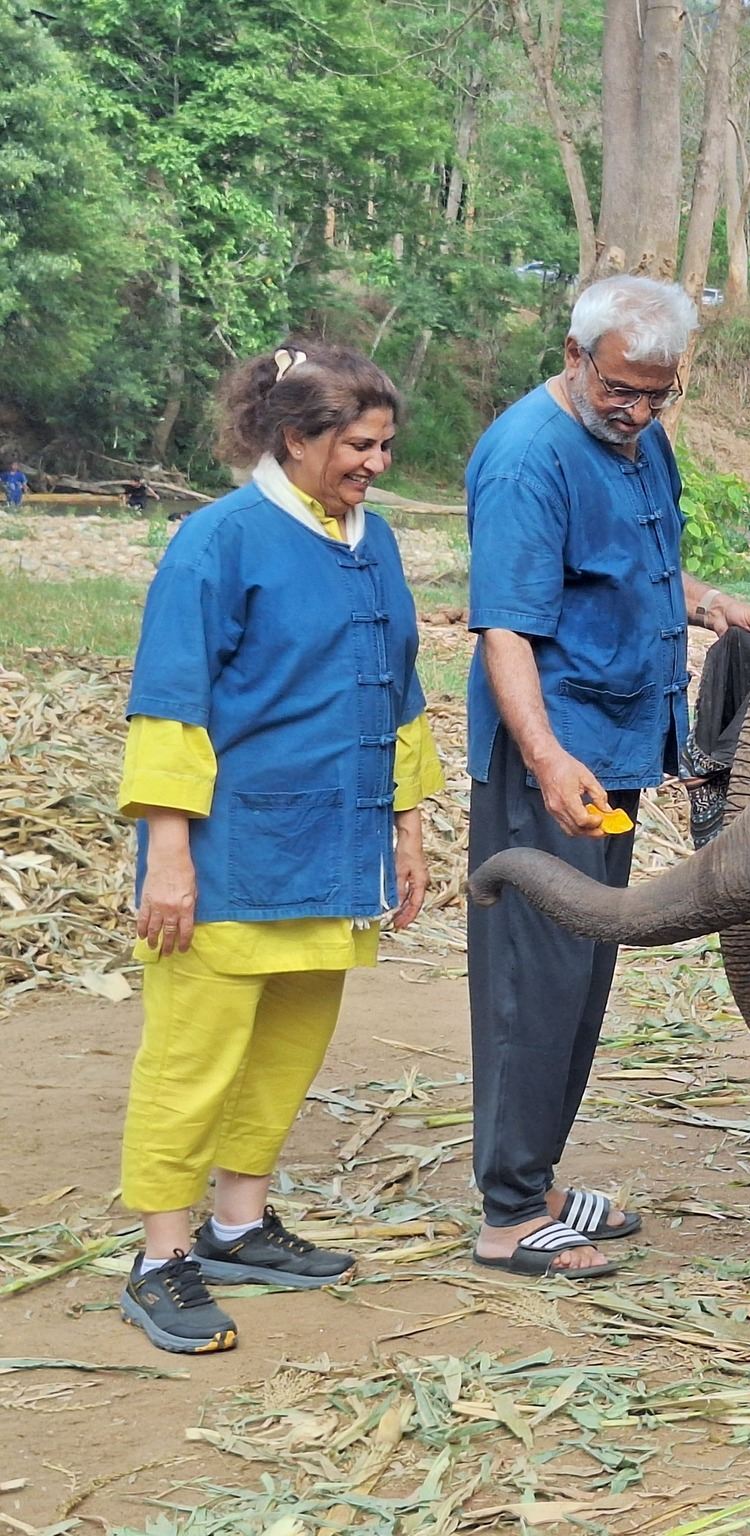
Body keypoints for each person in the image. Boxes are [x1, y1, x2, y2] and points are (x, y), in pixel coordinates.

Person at [115, 341, 444, 1353]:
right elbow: (171, 702)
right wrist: (170, 857)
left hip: (334, 851)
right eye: (359, 446)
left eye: (385, 446)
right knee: (192, 1060)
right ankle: (161, 1257)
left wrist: (408, 826)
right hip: (231, 856)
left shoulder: (374, 544)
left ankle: (237, 1225)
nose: (376, 465)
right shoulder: (217, 542)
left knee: (287, 1050)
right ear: (294, 438)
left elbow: (399, 688)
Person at [465, 275, 750, 1278]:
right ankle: (509, 1214)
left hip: (621, 744)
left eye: (657, 392)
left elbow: (632, 569)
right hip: (553, 761)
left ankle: (538, 1181)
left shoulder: (642, 442)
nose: (637, 411)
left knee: (583, 971)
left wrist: (708, 603)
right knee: (533, 978)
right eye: (620, 389)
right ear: (574, 354)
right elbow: (505, 627)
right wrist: (547, 758)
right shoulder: (528, 457)